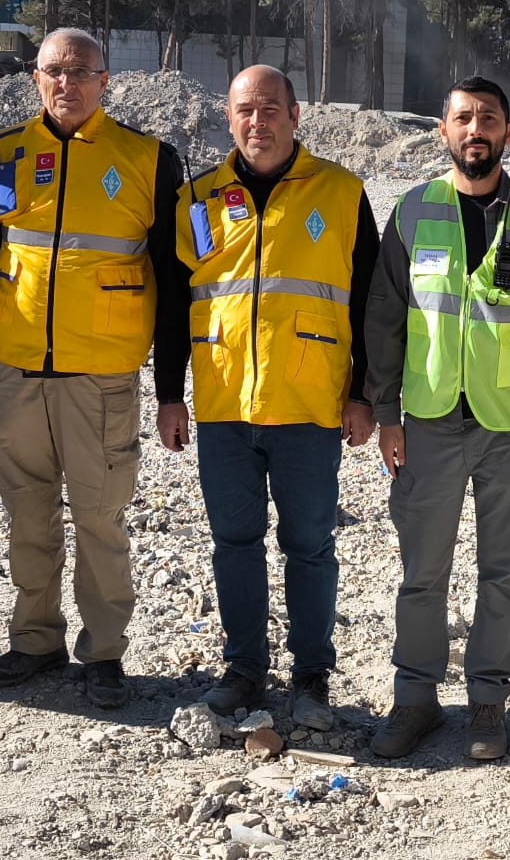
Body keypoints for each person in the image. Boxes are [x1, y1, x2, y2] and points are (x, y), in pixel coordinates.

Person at [363, 76, 510, 761]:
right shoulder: (411, 211)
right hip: (426, 420)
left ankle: (488, 700)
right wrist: (386, 412)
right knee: (421, 572)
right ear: (444, 130)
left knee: (502, 572)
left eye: (489, 117)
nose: (476, 128)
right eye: (464, 117)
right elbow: (385, 320)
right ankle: (415, 699)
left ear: (509, 132)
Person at [159, 65, 378, 730]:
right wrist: (171, 395)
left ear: (295, 115)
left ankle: (312, 676)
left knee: (310, 546)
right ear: (229, 118)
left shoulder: (340, 193)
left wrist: (363, 394)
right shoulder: (198, 198)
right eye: (245, 111)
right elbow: (175, 302)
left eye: (271, 109)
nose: (259, 122)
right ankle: (244, 671)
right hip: (224, 404)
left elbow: (369, 302)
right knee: (234, 543)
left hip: (309, 405)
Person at [0, 28, 185, 709]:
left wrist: (167, 389)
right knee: (27, 514)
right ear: (35, 78)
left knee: (100, 516)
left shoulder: (149, 160)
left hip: (100, 375)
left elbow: (172, 277)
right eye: (53, 71)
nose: (66, 83)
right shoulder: (2, 153)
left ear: (106, 81)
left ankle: (103, 652)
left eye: (80, 72)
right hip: (16, 371)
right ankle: (34, 640)